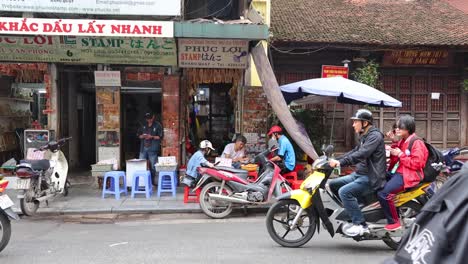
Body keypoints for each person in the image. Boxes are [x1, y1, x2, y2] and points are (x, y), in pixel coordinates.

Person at [327, 109, 387, 236]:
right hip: (359, 175)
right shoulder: (365, 136)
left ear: (364, 123)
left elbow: (362, 154)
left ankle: (360, 224)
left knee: (344, 192)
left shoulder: (374, 136)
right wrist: (336, 160)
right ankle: (353, 210)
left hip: (371, 177)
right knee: (333, 185)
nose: (353, 124)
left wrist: (341, 163)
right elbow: (354, 151)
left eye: (356, 122)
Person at [378, 115, 428, 231]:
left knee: (384, 194)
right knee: (376, 178)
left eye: (401, 127)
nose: (397, 129)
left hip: (408, 175)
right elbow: (397, 156)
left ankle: (394, 222)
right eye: (396, 127)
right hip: (399, 172)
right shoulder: (404, 140)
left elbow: (417, 163)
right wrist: (394, 142)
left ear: (409, 128)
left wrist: (400, 154)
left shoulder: (417, 143)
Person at [137, 112, 163, 180]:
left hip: (153, 149)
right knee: (141, 164)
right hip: (143, 148)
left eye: (150, 118)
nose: (149, 120)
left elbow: (160, 137)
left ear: (153, 117)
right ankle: (142, 182)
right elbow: (138, 135)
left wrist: (152, 137)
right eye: (147, 119)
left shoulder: (157, 125)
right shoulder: (143, 125)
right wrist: (142, 136)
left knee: (153, 166)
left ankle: (152, 181)